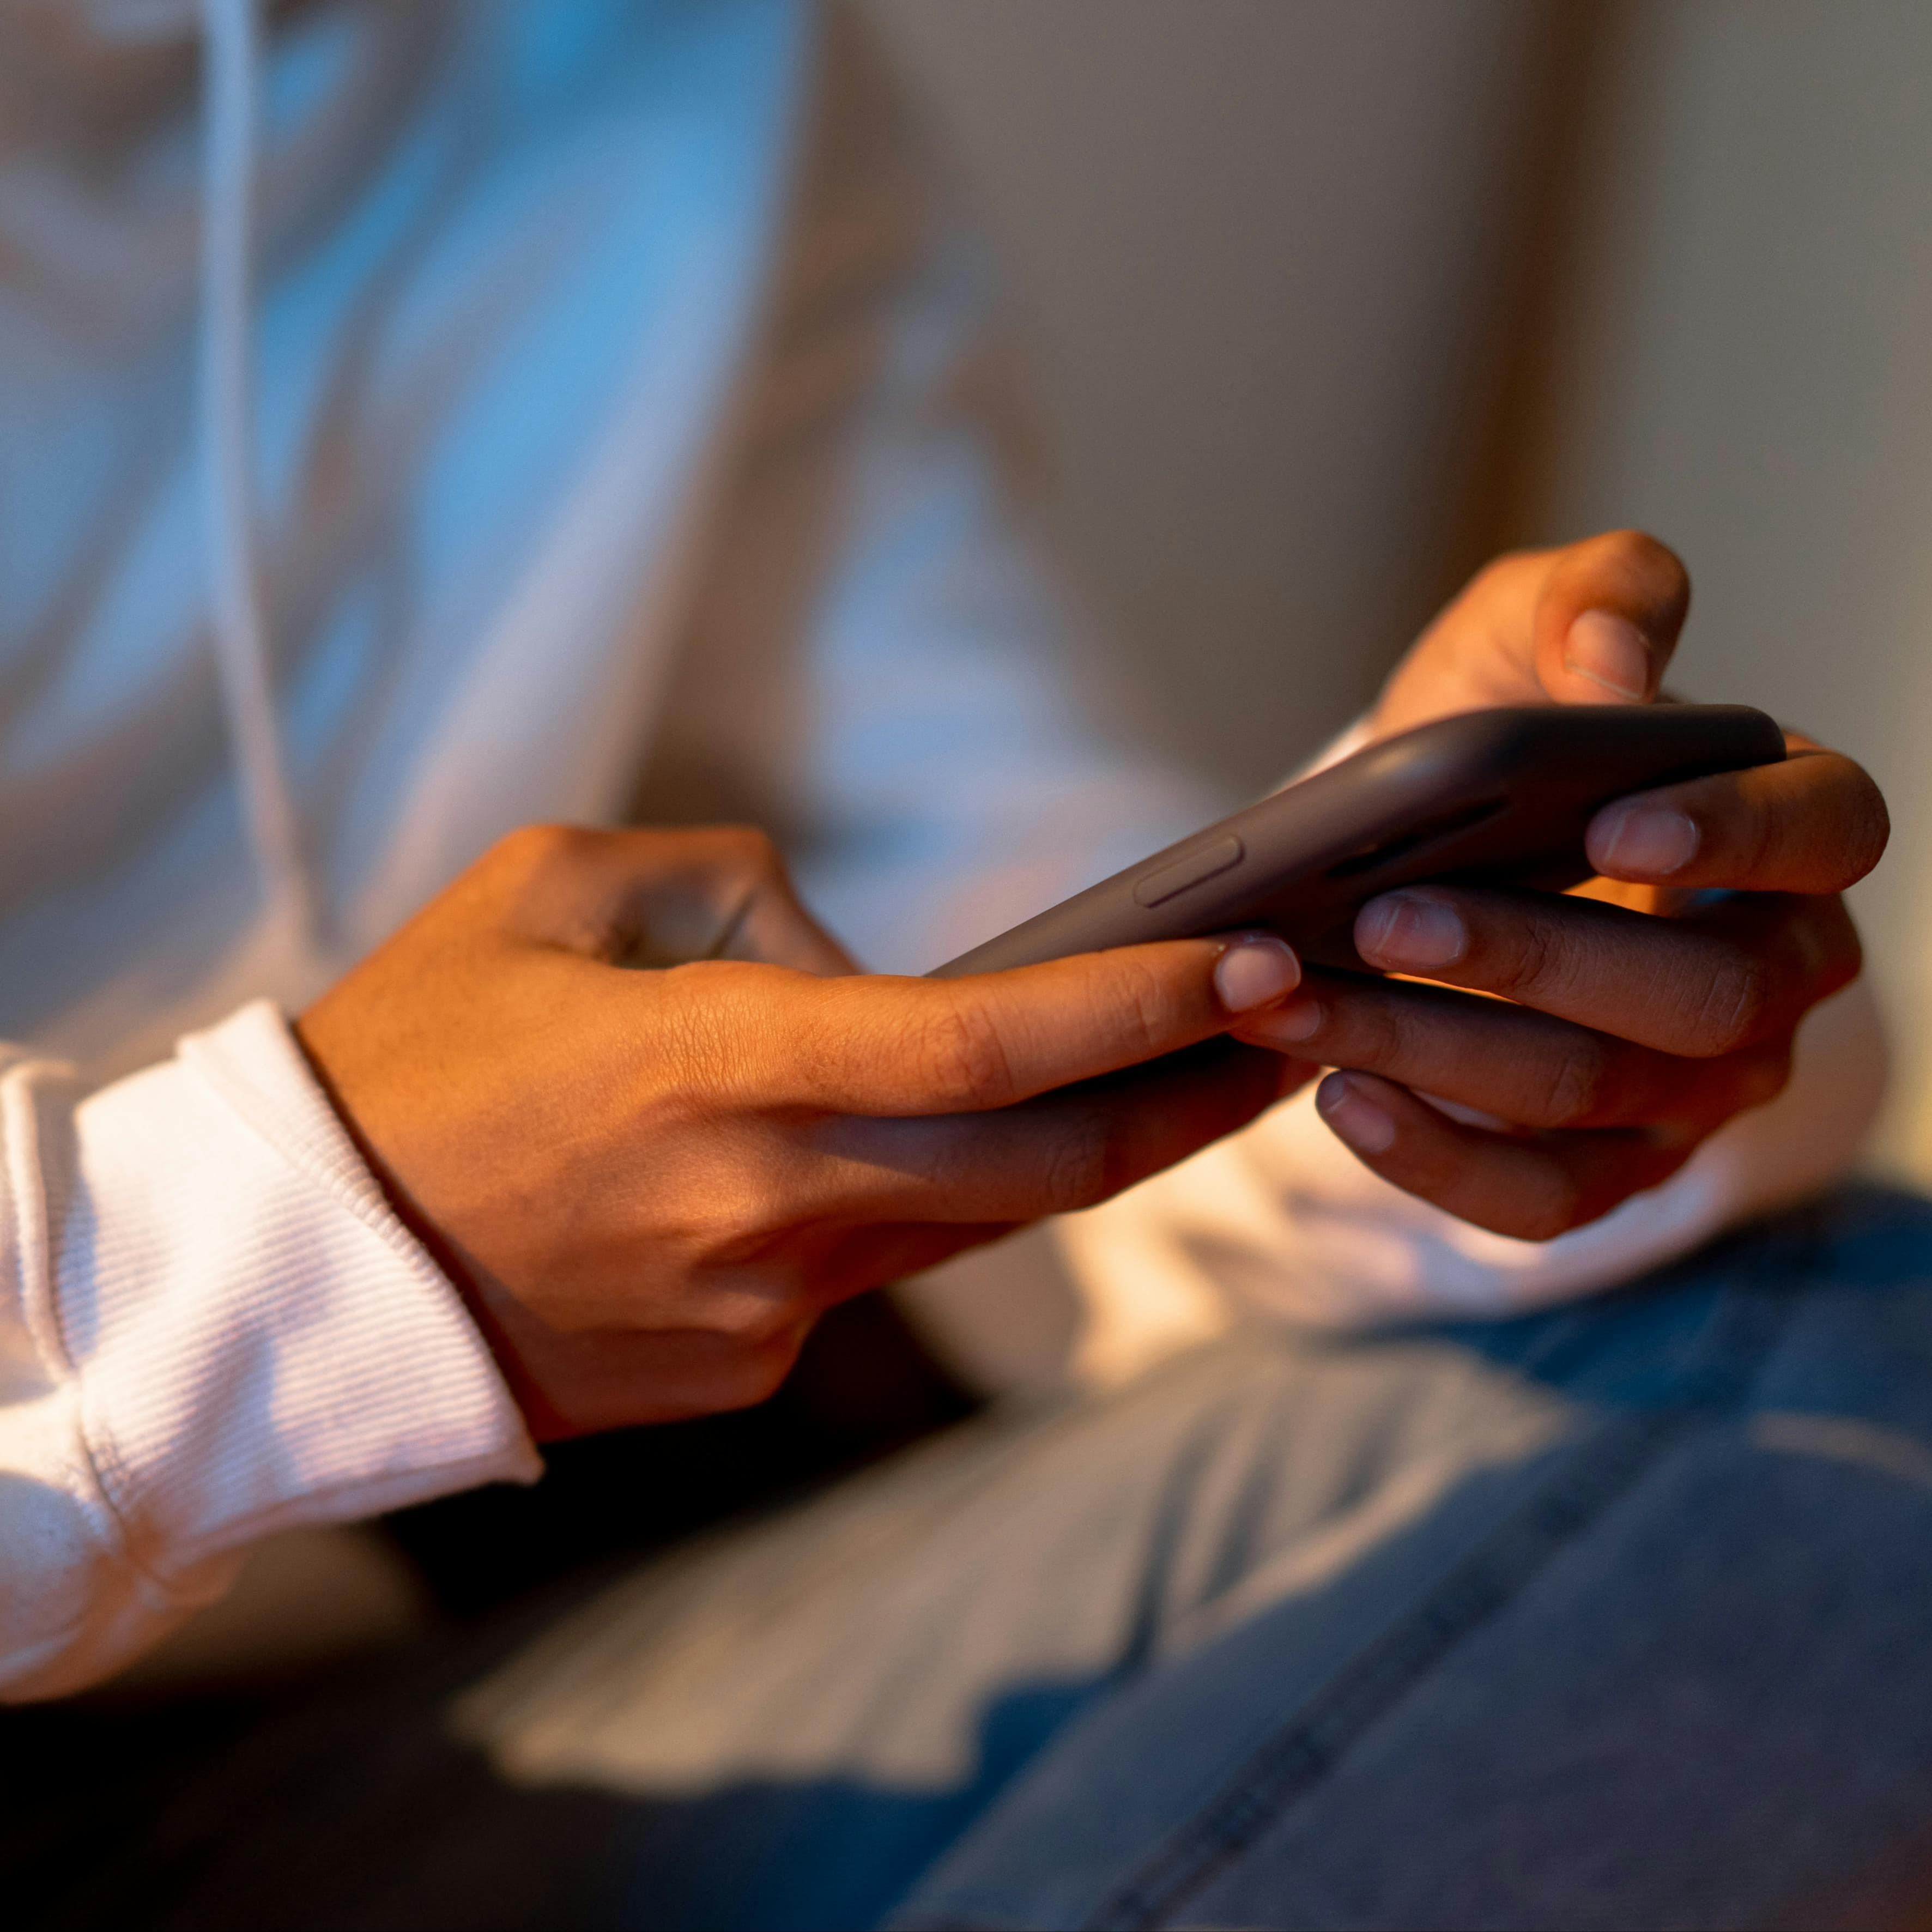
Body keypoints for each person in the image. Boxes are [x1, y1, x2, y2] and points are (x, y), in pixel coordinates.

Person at [0, 3, 1921, 1927]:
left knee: (1831, 1368)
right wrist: (305, 1246)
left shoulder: (661, 58)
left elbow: (992, 983)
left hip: (376, 1692)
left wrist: (1464, 1015)